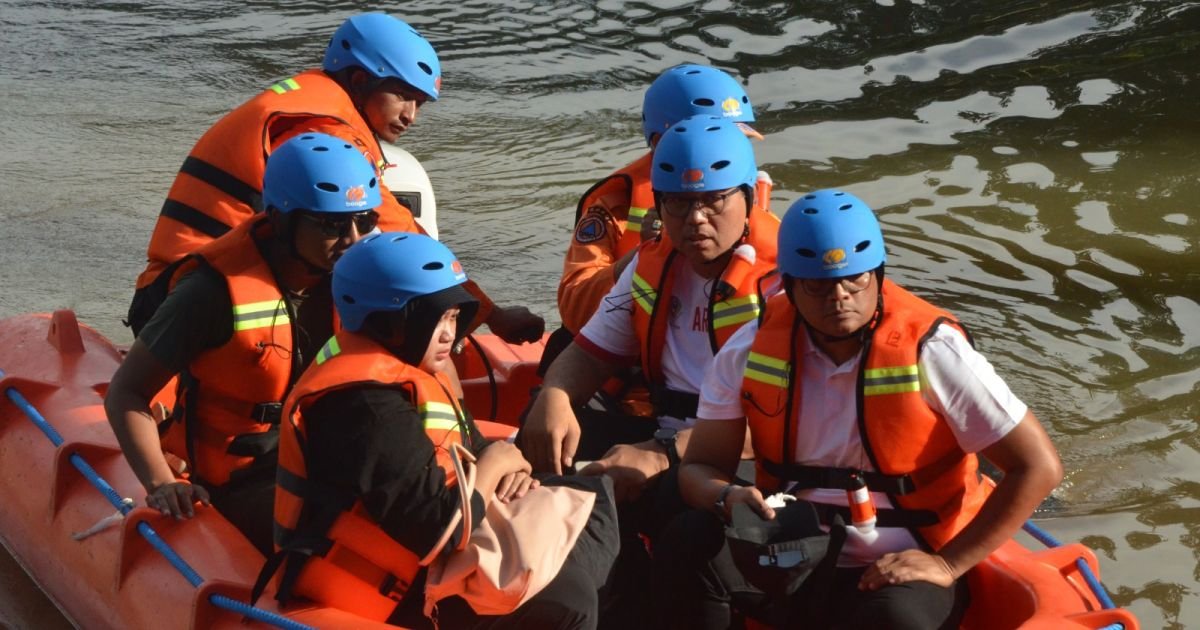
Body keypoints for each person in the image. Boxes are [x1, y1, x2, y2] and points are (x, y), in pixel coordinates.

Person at [658, 189, 1064, 629]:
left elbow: (1038, 467)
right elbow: (698, 468)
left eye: (856, 279)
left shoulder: (934, 350)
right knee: (688, 537)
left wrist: (947, 566)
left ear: (878, 274)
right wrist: (727, 495)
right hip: (791, 551)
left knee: (896, 618)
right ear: (789, 285)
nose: (840, 297)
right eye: (818, 284)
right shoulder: (747, 349)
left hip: (906, 563)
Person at [266, 233, 617, 629]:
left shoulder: (409, 369)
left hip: (431, 553)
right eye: (436, 318)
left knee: (594, 498)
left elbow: (466, 440)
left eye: (454, 317)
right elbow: (437, 530)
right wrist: (498, 461)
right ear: (387, 321)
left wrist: (510, 466)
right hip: (385, 592)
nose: (451, 333)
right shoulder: (365, 407)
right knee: (568, 599)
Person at [127, 12, 542, 344]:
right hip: (184, 297)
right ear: (360, 81)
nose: (411, 116)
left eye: (420, 103)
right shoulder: (321, 132)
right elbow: (396, 231)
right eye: (402, 96)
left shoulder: (323, 109)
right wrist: (486, 312)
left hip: (195, 283)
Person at [521, 115, 779, 624]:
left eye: (714, 200)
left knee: (678, 523)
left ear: (748, 198)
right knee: (535, 449)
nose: (696, 218)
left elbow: (776, 421)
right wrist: (553, 396)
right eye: (679, 203)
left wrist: (659, 455)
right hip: (664, 431)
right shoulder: (652, 261)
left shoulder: (783, 281)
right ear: (660, 205)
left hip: (746, 453)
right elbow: (589, 352)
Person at [105, 133, 377, 555]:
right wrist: (160, 483)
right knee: (345, 541)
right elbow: (127, 392)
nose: (354, 239)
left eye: (366, 220)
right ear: (281, 219)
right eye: (332, 224)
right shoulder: (211, 292)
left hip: (332, 459)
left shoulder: (366, 276)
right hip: (245, 479)